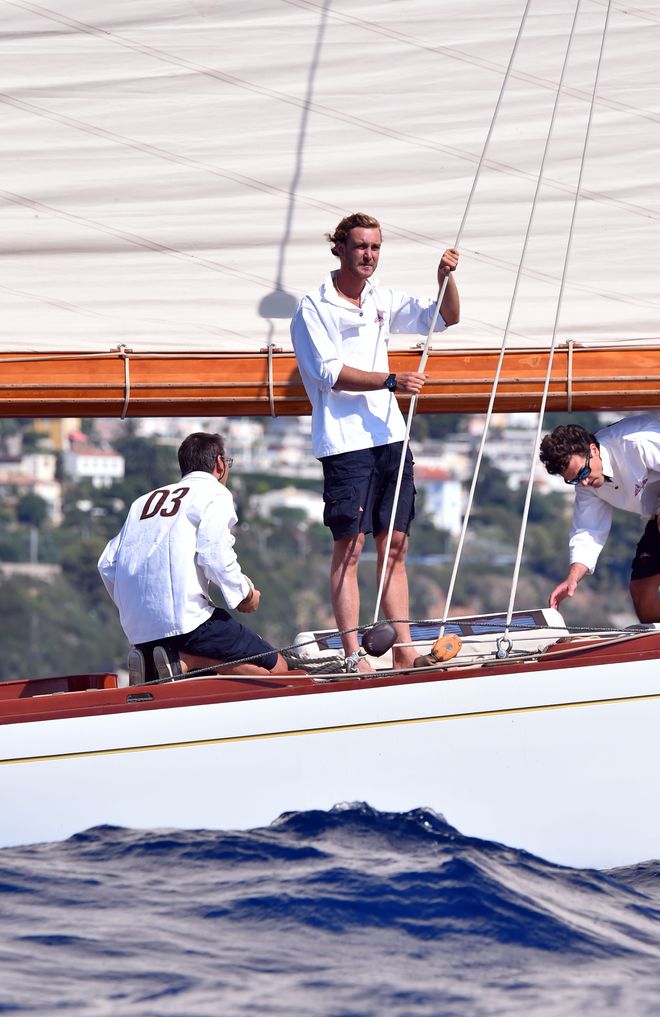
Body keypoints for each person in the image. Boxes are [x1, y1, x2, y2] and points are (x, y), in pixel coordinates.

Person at [290, 211, 460, 670]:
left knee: (396, 545)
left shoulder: (380, 297)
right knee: (350, 548)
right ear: (340, 248)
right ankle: (352, 655)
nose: (369, 255)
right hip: (345, 443)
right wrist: (390, 382)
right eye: (362, 246)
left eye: (376, 247)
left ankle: (404, 650)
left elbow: (445, 316)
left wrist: (445, 279)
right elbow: (328, 373)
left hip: (390, 437)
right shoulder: (314, 306)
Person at [98, 432, 289, 682]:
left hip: (141, 632)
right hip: (189, 624)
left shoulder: (141, 503)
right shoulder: (214, 493)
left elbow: (107, 564)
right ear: (219, 464)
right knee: (279, 670)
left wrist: (139, 608)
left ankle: (171, 663)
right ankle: (187, 661)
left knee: (209, 671)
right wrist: (244, 594)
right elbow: (213, 551)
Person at [539, 414, 660, 628]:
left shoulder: (637, 440)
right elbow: (588, 531)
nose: (584, 482)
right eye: (574, 480)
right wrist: (573, 578)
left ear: (593, 450)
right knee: (641, 590)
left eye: (583, 472)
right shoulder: (586, 485)